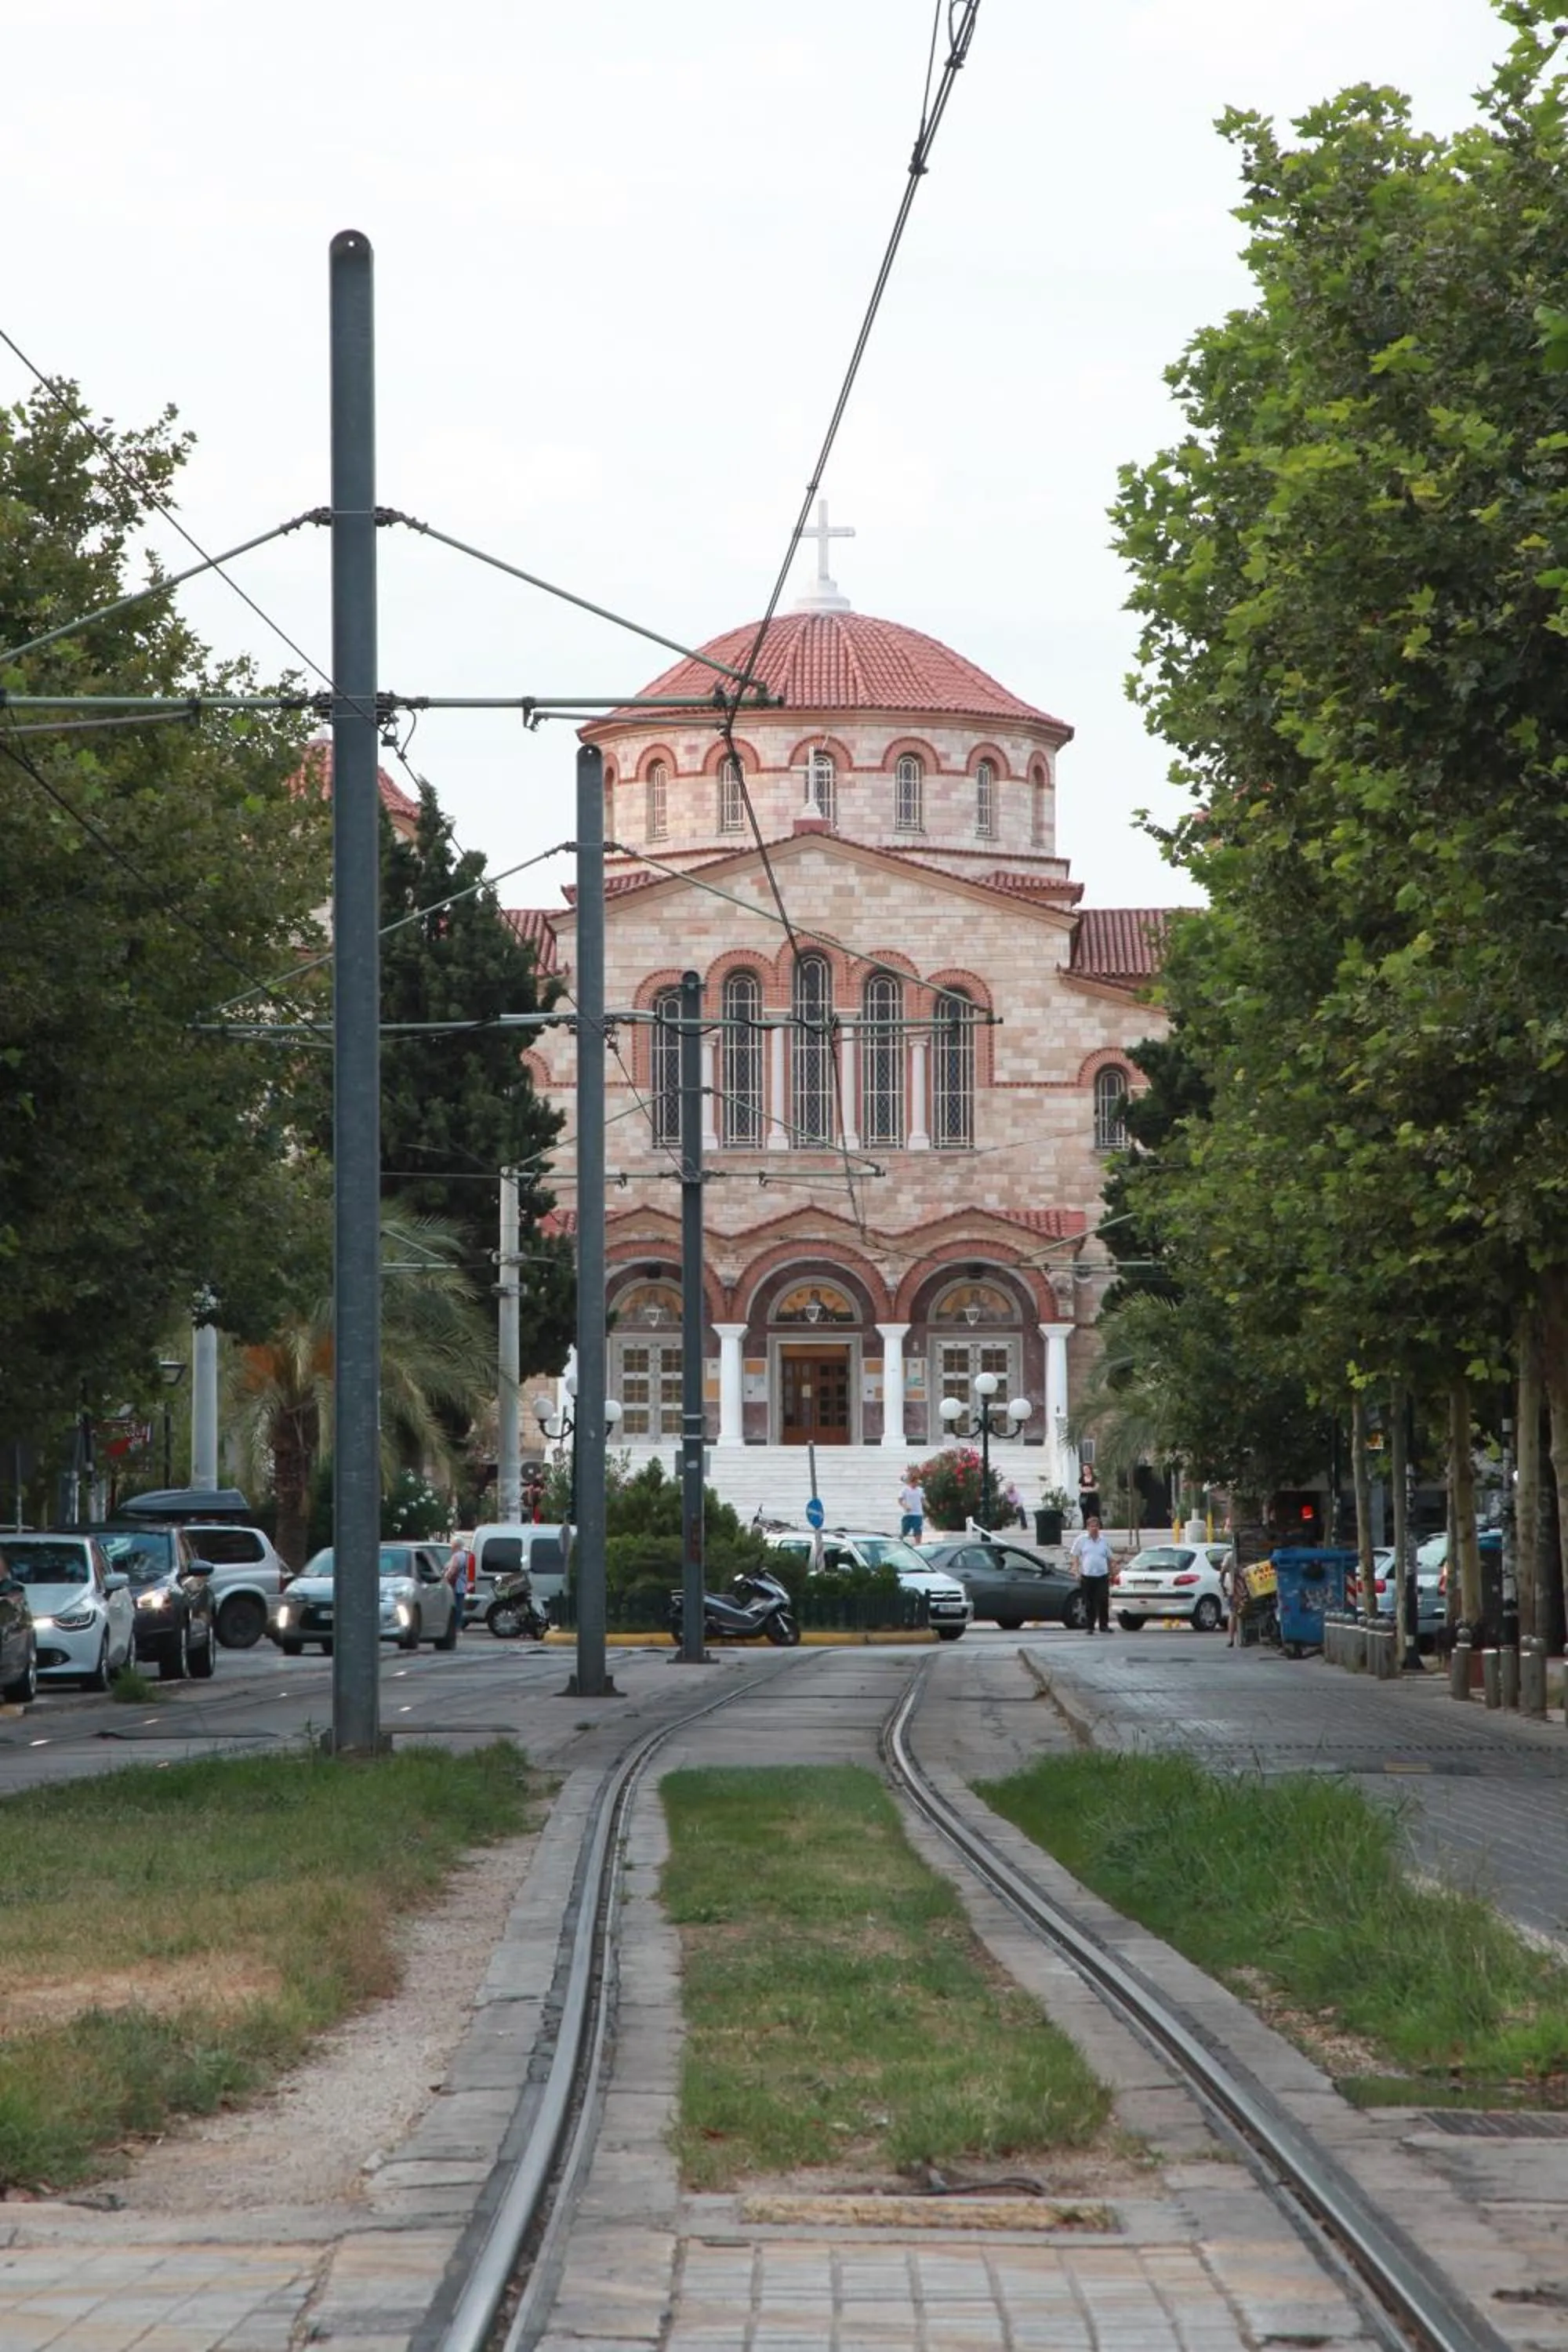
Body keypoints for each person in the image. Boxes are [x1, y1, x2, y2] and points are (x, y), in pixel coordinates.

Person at [1069, 1512, 1114, 1635]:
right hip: (1087, 1576)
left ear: (1099, 1528)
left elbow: (1110, 1558)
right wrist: (1076, 1570)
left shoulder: (1104, 1541)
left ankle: (1104, 1625)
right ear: (1088, 1527)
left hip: (1102, 1575)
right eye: (1092, 1526)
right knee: (1089, 1603)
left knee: (1103, 1601)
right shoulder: (1081, 1540)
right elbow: (1075, 1555)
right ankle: (1090, 1627)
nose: (1094, 1529)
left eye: (1096, 1526)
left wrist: (1112, 1573)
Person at [898, 1477, 924, 1541]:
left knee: (917, 1529)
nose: (915, 1484)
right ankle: (900, 1541)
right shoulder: (905, 1490)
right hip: (908, 1514)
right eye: (913, 1482)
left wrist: (928, 1507)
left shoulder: (920, 1490)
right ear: (910, 1482)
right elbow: (900, 1500)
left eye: (916, 1482)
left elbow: (923, 1500)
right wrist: (905, 1506)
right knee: (905, 1530)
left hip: (918, 1513)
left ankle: (918, 1544)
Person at [1078, 1459, 1102, 1526]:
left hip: (1093, 1497)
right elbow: (1080, 1488)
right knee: (1085, 1512)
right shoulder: (1081, 1479)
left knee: (1095, 1512)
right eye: (1084, 1469)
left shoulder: (1095, 1478)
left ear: (1090, 1469)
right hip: (1084, 1497)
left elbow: (1096, 1488)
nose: (1085, 1470)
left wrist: (1088, 1489)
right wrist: (1088, 1489)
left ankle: (1098, 1525)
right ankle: (1085, 1525)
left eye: (1086, 1469)